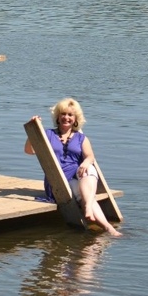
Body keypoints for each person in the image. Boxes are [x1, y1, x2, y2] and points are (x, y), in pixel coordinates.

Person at [24, 98, 122, 237]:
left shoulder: (81, 138)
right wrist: (33, 130)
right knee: (86, 193)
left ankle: (100, 220)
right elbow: (29, 150)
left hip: (77, 176)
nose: (66, 117)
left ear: (76, 119)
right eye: (63, 114)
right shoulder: (48, 134)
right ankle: (103, 222)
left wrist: (85, 163)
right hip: (58, 181)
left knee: (90, 169)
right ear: (58, 116)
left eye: (70, 115)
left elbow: (90, 157)